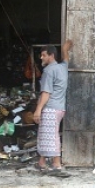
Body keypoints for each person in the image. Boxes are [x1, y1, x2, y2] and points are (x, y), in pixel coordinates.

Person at [33, 40, 72, 171]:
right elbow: (66, 59)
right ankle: (42, 162)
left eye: (44, 55)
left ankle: (56, 163)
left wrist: (38, 110)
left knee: (52, 135)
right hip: (59, 108)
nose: (41, 58)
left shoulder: (49, 71)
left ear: (51, 55)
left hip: (51, 107)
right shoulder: (62, 67)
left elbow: (46, 93)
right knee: (45, 134)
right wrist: (65, 50)